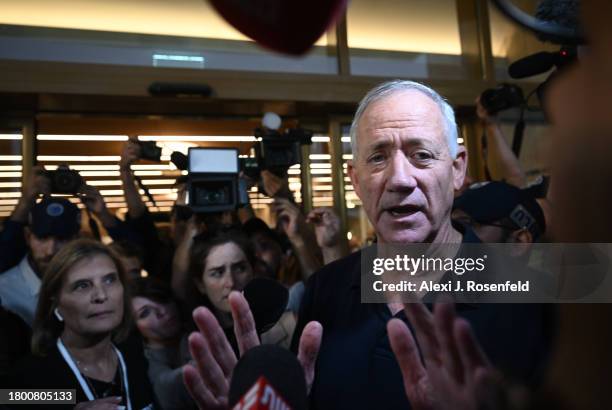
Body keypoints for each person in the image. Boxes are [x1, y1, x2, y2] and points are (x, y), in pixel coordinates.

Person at [182, 80, 553, 410]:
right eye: (378, 158)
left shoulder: (538, 298)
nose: (400, 178)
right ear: (356, 181)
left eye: (421, 154)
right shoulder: (325, 289)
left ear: (457, 170)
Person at [8, 238, 156, 410]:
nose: (101, 295)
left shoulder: (138, 355)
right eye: (82, 285)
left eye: (109, 280)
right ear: (55, 302)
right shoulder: (31, 379)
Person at [0, 197, 81, 326]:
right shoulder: (3, 292)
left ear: (76, 240)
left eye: (62, 239)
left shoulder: (90, 286)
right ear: (27, 236)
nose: (50, 251)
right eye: (42, 238)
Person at [131, 278, 195, 410]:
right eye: (145, 313)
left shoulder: (194, 329)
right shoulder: (146, 369)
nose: (162, 312)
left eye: (162, 300)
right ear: (134, 328)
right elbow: (165, 383)